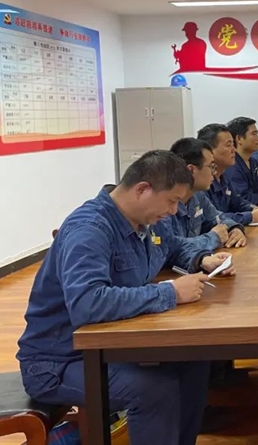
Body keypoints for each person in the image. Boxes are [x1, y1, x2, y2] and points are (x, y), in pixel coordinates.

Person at [17, 150, 235, 445]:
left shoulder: (147, 220)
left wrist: (202, 259)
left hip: (112, 345)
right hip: (59, 362)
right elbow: (87, 303)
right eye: (171, 201)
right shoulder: (90, 229)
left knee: (194, 361)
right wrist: (170, 292)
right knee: (154, 390)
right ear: (142, 189)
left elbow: (173, 247)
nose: (174, 211)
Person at [158, 137, 247, 250]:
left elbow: (218, 218)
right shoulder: (164, 203)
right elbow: (171, 248)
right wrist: (213, 238)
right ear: (191, 170)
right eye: (211, 167)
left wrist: (234, 229)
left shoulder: (197, 195)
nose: (214, 173)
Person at [196, 123, 258, 224]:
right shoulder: (201, 183)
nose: (234, 150)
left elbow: (238, 202)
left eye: (233, 145)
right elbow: (213, 218)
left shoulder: (223, 177)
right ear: (209, 151)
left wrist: (253, 208)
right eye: (228, 145)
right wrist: (250, 216)